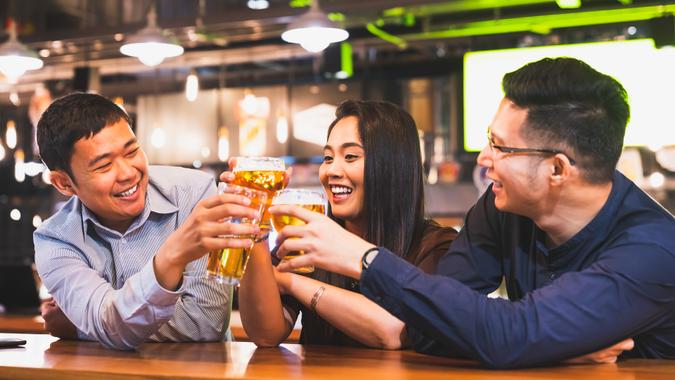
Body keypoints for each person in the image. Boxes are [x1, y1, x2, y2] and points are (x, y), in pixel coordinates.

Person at [270, 57, 675, 368]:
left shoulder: (652, 251)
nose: (484, 158)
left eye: (501, 147)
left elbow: (507, 336)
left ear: (557, 169)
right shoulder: (504, 208)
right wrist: (553, 348)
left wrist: (363, 258)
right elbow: (426, 324)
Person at [34, 93, 260, 350]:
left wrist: (80, 327)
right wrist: (170, 258)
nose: (128, 173)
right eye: (104, 166)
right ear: (64, 183)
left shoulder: (194, 193)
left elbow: (205, 323)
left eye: (132, 151)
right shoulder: (55, 239)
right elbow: (107, 322)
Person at [233, 100, 457, 348]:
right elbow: (266, 333)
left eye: (350, 156)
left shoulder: (437, 247)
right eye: (328, 158)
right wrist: (255, 224)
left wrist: (291, 282)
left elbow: (393, 331)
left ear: (392, 167)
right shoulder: (308, 237)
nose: (332, 171)